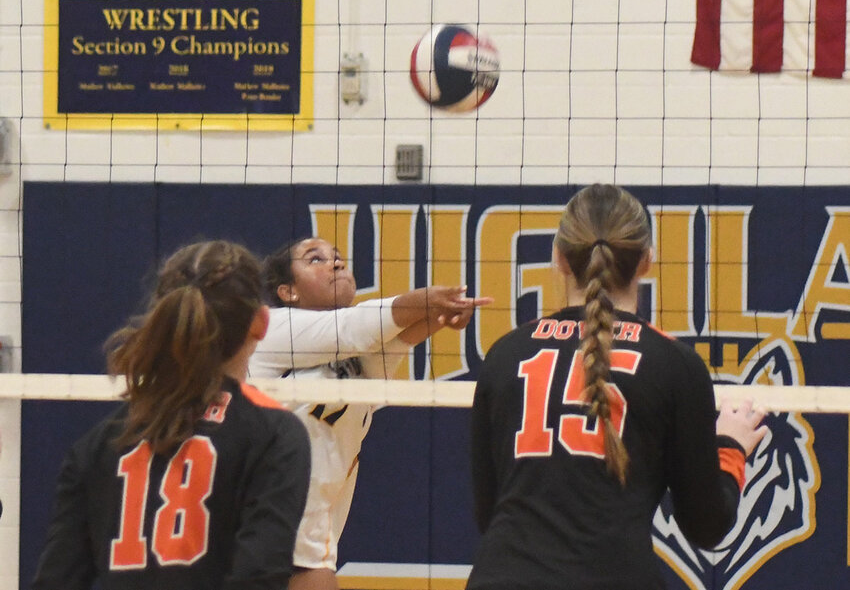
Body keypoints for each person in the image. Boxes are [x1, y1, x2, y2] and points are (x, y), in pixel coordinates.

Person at [467, 184, 768, 590]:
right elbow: (705, 526)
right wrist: (730, 448)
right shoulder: (675, 364)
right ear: (646, 261)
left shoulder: (505, 354)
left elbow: (490, 514)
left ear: (558, 258)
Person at [31, 240, 311, 590]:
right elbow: (258, 576)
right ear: (261, 323)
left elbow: (56, 581)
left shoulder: (99, 443)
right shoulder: (274, 433)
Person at [249, 236, 492, 590]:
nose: (335, 263)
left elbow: (392, 339)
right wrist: (427, 298)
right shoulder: (271, 329)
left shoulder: (358, 354)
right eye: (315, 259)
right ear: (288, 292)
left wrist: (441, 313)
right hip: (259, 509)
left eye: (337, 256)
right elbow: (354, 327)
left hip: (314, 525)